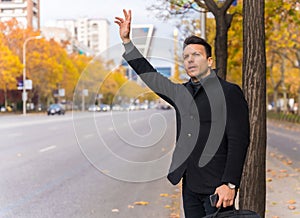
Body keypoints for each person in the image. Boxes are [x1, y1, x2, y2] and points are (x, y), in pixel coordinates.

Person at [115, 9, 250, 218]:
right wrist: (127, 42)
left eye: (196, 55)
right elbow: (152, 77)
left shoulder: (229, 92)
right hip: (191, 187)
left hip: (218, 188)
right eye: (186, 56)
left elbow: (239, 140)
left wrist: (230, 184)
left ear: (210, 61)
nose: (190, 60)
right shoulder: (182, 93)